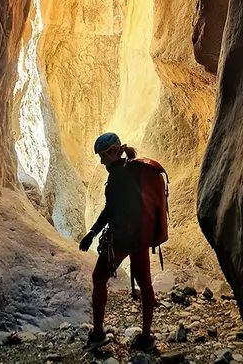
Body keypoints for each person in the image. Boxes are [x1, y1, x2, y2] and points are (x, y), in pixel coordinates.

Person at [79, 132, 156, 351]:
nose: (101, 161)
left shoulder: (117, 176)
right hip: (139, 236)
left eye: (103, 155)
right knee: (145, 283)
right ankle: (146, 336)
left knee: (98, 277)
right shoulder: (129, 170)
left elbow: (110, 210)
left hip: (124, 237)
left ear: (113, 151)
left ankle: (98, 333)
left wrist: (93, 233)